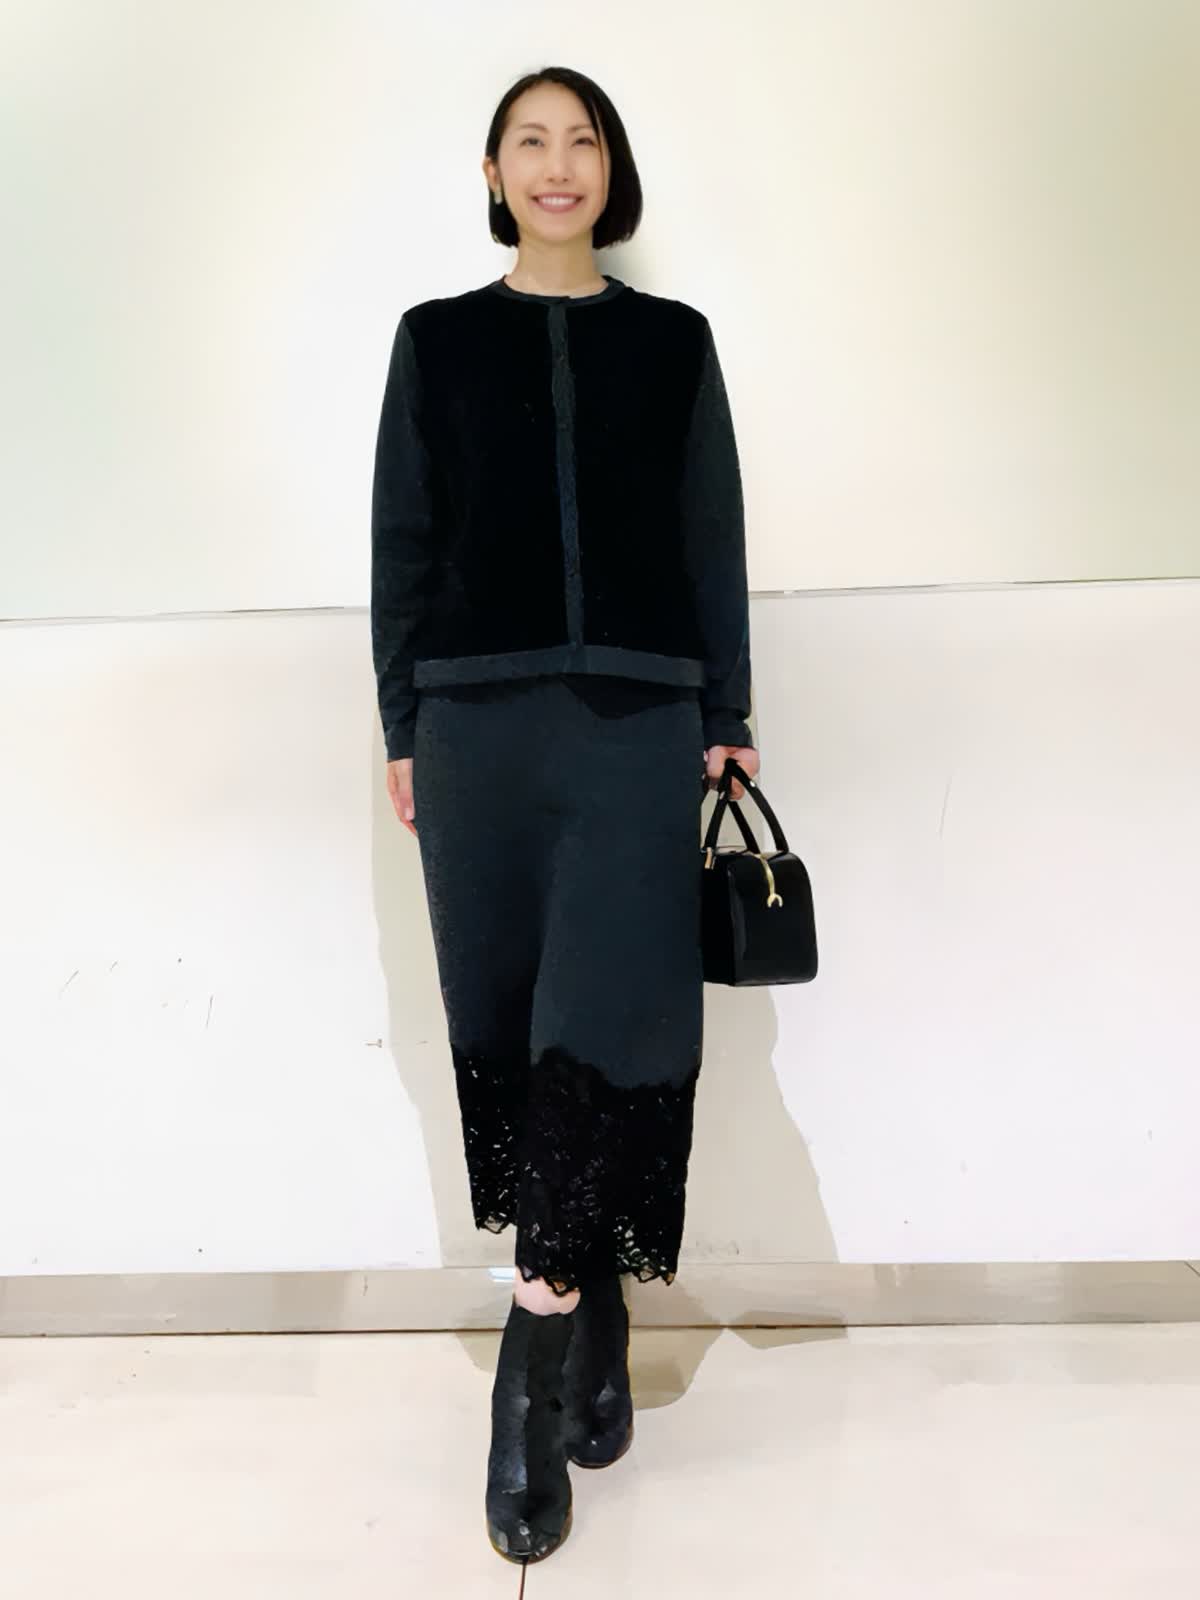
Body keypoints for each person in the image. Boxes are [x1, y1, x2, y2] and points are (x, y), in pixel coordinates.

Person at [369, 64, 760, 1565]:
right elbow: (404, 541)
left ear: (611, 170)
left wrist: (724, 714)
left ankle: (528, 1378)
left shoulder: (672, 345)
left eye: (581, 140)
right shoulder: (436, 340)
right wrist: (403, 726)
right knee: (511, 1016)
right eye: (529, 142)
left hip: (637, 727)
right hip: (475, 728)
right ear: (493, 173)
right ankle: (588, 1305)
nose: (556, 164)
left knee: (609, 1021)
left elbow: (710, 533)